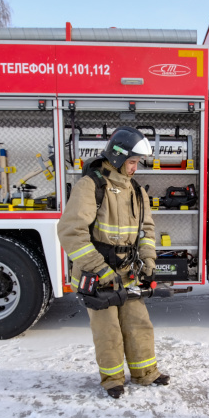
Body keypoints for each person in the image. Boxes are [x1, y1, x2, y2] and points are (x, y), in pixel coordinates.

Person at [57, 127, 170, 399]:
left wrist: (148, 260)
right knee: (108, 330)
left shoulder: (136, 190)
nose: (134, 168)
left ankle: (146, 373)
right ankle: (112, 379)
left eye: (136, 163)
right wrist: (101, 269)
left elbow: (147, 231)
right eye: (132, 162)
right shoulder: (91, 185)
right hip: (97, 273)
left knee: (138, 323)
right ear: (118, 157)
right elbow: (71, 231)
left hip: (127, 270)